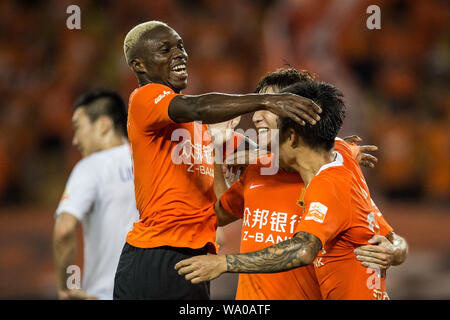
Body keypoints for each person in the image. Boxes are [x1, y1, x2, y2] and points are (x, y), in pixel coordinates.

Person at [113, 20, 322, 300]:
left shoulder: (202, 131)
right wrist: (266, 101)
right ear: (140, 65)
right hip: (156, 255)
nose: (180, 54)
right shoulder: (145, 98)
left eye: (181, 46)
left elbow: (281, 154)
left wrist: (339, 153)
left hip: (195, 260)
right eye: (166, 49)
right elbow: (198, 106)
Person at [176, 80, 408, 300]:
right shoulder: (343, 160)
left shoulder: (327, 184)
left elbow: (304, 249)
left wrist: (223, 264)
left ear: (292, 135)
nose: (257, 120)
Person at [53, 89, 139, 300]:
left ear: (103, 125)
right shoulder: (149, 162)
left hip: (105, 294)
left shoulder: (91, 167)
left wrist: (68, 286)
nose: (75, 140)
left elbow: (64, 230)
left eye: (78, 128)